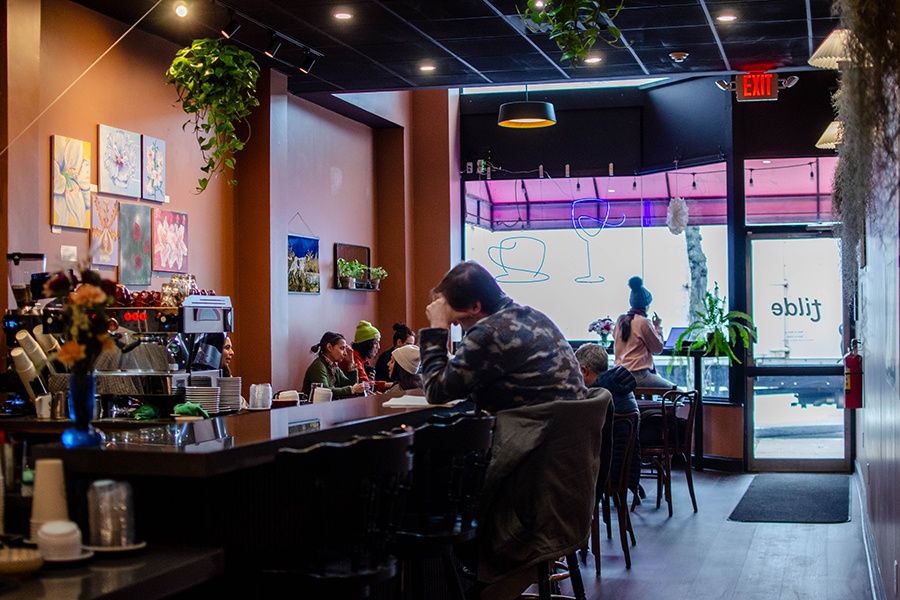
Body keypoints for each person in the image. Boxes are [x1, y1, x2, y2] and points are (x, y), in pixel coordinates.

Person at [420, 261, 585, 412]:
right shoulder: (535, 317)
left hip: (532, 436)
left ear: (475, 306)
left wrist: (437, 328)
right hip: (564, 434)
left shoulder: (489, 332)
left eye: (453, 315)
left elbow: (436, 392)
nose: (454, 324)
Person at [575, 342, 642, 496]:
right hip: (625, 469)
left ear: (583, 370)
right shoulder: (622, 388)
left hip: (605, 473)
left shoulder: (597, 398)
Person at [613, 275, 676, 389]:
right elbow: (658, 348)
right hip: (639, 376)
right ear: (646, 305)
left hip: (619, 375)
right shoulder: (643, 322)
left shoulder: (620, 320)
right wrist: (657, 327)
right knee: (677, 392)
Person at [302, 331, 365, 398]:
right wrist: (352, 389)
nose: (345, 353)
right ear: (329, 347)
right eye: (342, 348)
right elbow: (325, 392)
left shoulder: (334, 367)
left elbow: (351, 385)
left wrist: (351, 362)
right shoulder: (318, 366)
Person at [344, 320, 388, 393]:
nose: (378, 347)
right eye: (376, 343)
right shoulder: (354, 357)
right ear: (367, 345)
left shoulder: (362, 359)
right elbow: (364, 383)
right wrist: (391, 385)